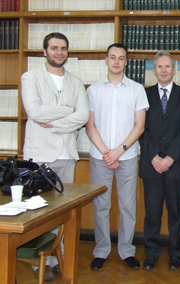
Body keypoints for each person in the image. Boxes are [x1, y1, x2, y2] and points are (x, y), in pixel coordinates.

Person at [21, 32, 89, 281]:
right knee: (40, 210)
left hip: (67, 154)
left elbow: (83, 116)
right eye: (54, 48)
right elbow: (34, 110)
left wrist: (56, 121)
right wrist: (67, 110)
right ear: (44, 52)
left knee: (63, 210)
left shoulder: (76, 82)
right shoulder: (31, 77)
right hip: (40, 155)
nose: (59, 52)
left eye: (63, 48)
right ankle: (42, 262)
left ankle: (59, 256)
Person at [86, 43, 149, 270]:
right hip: (99, 157)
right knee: (101, 206)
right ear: (105, 60)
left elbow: (139, 126)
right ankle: (101, 250)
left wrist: (119, 150)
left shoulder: (136, 89)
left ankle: (126, 251)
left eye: (121, 58)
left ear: (126, 62)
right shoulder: (93, 90)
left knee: (127, 206)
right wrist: (106, 152)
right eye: (112, 57)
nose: (116, 62)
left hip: (128, 156)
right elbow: (90, 126)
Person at [139, 51, 180, 271]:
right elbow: (140, 129)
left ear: (174, 69)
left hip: (176, 165)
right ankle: (151, 253)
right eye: (159, 67)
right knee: (152, 213)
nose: (163, 70)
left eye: (167, 66)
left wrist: (169, 158)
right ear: (153, 70)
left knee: (176, 212)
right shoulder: (142, 95)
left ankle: (175, 253)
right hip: (151, 165)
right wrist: (153, 156)